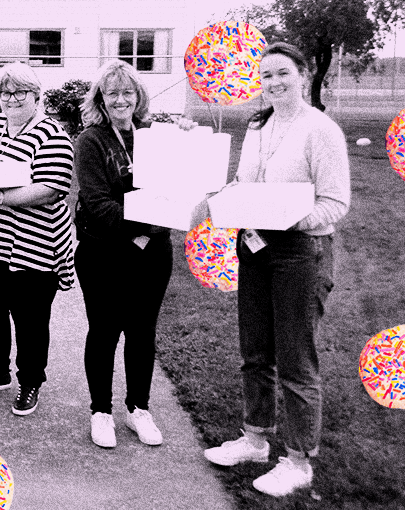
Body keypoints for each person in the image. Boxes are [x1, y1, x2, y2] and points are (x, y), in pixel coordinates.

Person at [202, 42, 349, 497]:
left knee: (296, 360)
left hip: (300, 252)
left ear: (303, 74)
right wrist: (226, 196)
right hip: (255, 247)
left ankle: (299, 461)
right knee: (255, 352)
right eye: (266, 75)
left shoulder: (321, 129)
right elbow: (245, 182)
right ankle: (254, 439)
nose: (274, 82)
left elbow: (336, 202)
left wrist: (288, 217)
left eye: (283, 73)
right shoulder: (258, 125)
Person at [73, 60, 197, 449]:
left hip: (153, 254)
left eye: (128, 92)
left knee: (142, 332)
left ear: (138, 96)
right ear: (100, 99)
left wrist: (190, 143)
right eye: (112, 93)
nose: (121, 100)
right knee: (104, 331)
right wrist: (150, 221)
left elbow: (180, 188)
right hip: (103, 253)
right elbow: (98, 205)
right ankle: (101, 411)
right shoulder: (90, 141)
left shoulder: (155, 136)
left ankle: (138, 408)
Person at [0, 62, 75, 416]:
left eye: (20, 92)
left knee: (30, 321)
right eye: (5, 92)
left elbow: (50, 188)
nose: (11, 99)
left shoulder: (52, 134)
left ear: (36, 96)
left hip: (33, 246)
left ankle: (30, 381)